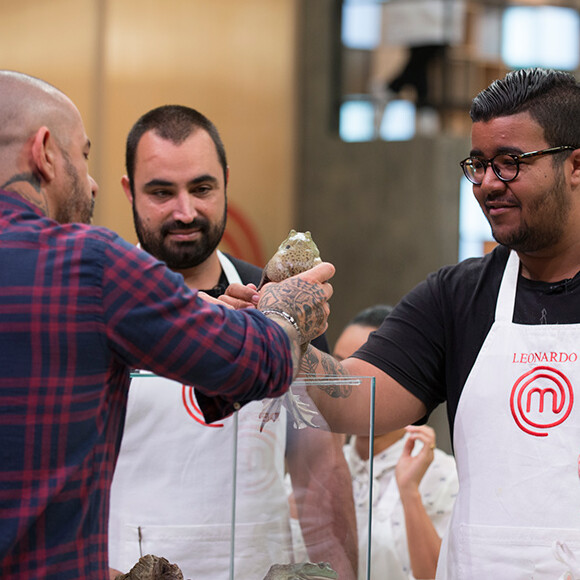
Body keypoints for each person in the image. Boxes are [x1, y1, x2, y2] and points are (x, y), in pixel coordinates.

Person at [229, 67, 580, 578]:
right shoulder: (457, 298)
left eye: (509, 163)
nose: (486, 184)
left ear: (575, 165)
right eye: (477, 165)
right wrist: (283, 338)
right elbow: (355, 401)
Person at [0, 71, 334, 580]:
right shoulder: (90, 268)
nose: (87, 182)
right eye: (82, 154)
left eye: (201, 187)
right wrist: (288, 313)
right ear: (45, 152)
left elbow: (318, 461)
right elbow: (253, 362)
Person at [107, 105, 357, 580]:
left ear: (225, 180)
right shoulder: (101, 304)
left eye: (202, 188)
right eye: (162, 192)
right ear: (128, 191)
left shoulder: (280, 305)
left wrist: (342, 573)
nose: (186, 211)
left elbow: (319, 466)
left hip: (258, 567)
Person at [335, 305, 457, 580]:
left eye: (366, 374)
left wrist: (409, 491)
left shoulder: (444, 475)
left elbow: (441, 573)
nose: (348, 387)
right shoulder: (328, 463)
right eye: (339, 366)